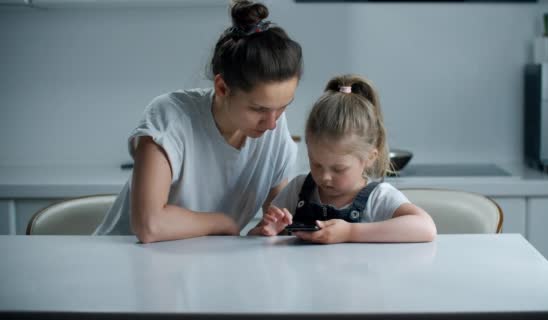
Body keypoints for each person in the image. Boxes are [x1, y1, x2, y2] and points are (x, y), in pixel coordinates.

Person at [93, 0, 303, 243]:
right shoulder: (170, 117)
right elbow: (149, 225)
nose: (272, 124)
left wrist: (269, 231)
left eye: (283, 107)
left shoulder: (274, 126)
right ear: (222, 87)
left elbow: (277, 223)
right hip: (119, 261)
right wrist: (224, 222)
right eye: (258, 109)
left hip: (195, 266)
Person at [248, 74, 436, 244]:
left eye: (338, 169)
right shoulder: (297, 190)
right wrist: (268, 231)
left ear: (370, 157)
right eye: (316, 164)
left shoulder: (379, 198)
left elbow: (426, 228)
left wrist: (350, 232)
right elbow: (254, 240)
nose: (325, 176)